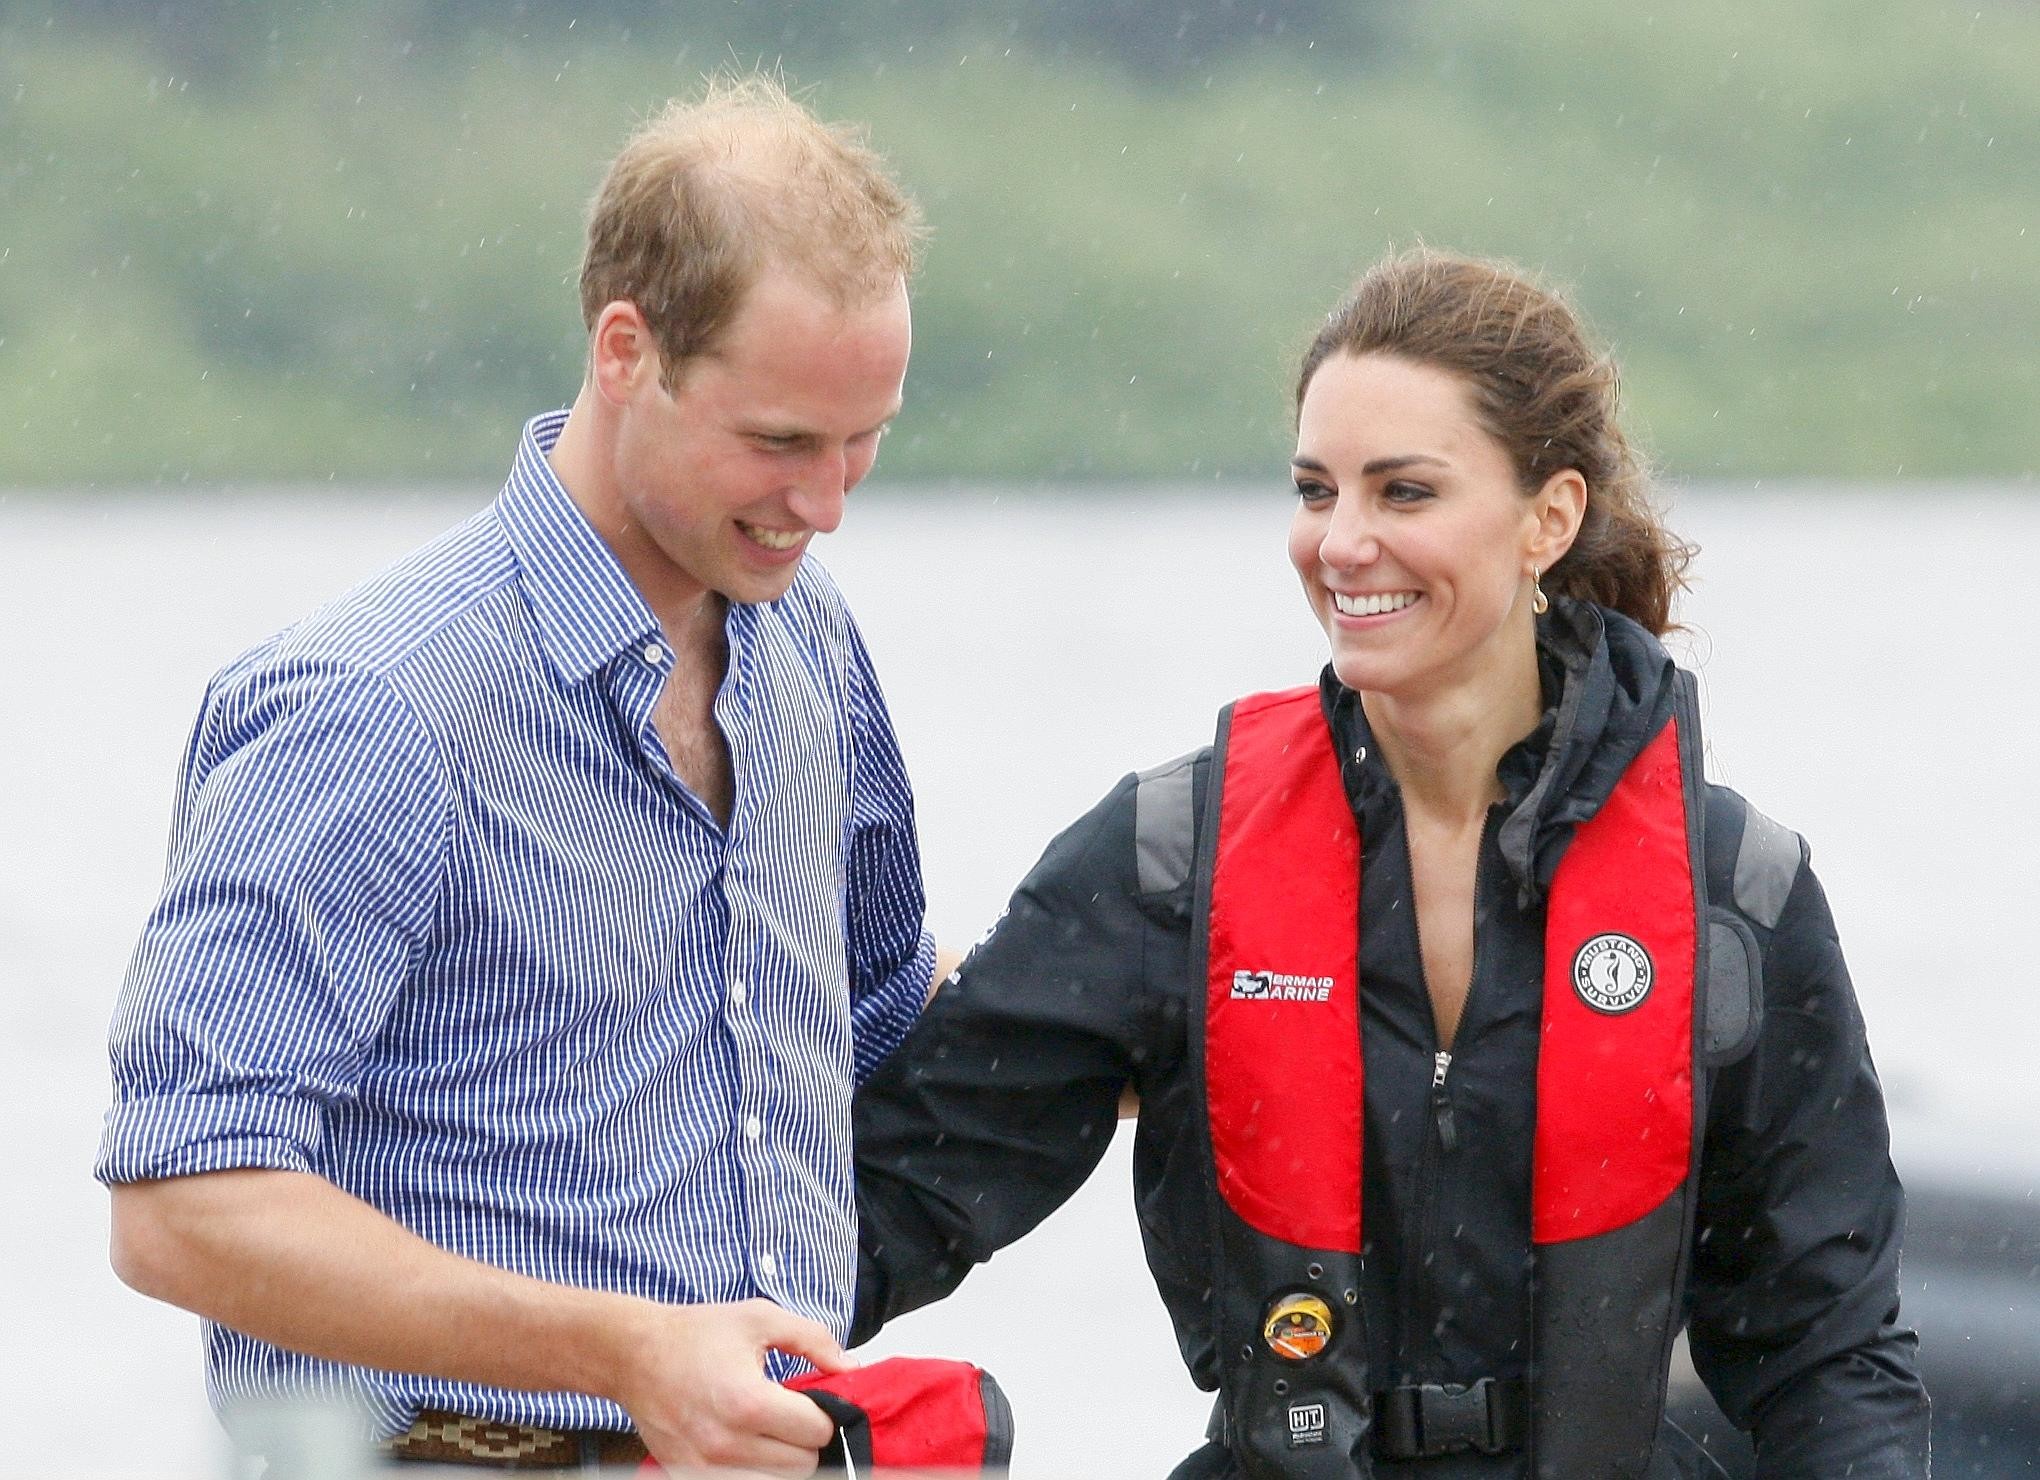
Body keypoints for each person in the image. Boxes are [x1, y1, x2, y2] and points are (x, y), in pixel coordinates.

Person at [852, 250, 1931, 1477]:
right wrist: (639, 1365)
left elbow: (1826, 1351)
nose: (1342, 543)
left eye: (1403, 492)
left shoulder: (1737, 894)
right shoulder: (1166, 861)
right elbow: (905, 1188)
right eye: (1316, 490)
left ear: (1551, 517)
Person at [97, 75, 947, 1478]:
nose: (829, 502)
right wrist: (623, 1352)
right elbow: (183, 1203)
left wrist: (1212, 993)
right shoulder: (370, 707)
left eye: (867, 439)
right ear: (626, 349)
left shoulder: (812, 641)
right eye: (782, 441)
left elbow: (877, 1017)